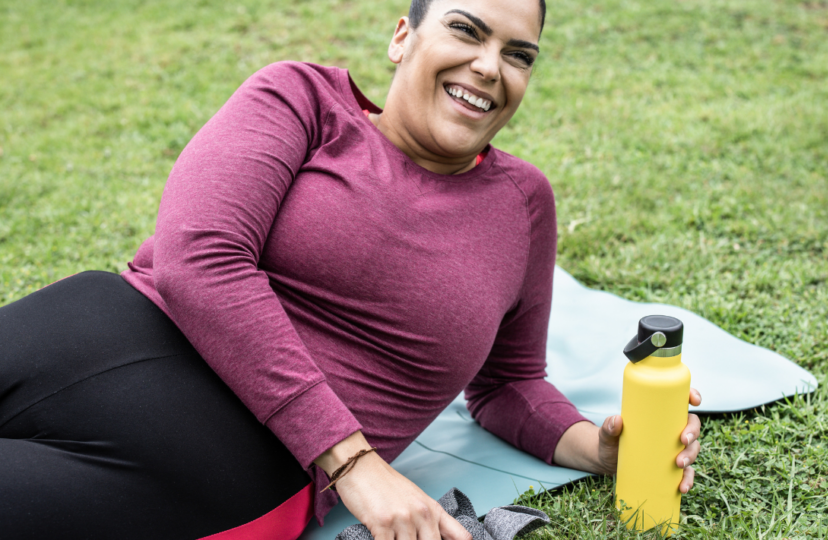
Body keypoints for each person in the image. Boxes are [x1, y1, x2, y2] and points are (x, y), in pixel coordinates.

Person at [0, 0, 703, 538]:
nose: (491, 67)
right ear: (403, 37)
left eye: (519, 55)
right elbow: (198, 256)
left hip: (231, 456)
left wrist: (599, 449)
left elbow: (509, 386)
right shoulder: (301, 99)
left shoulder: (522, 205)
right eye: (467, 31)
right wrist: (356, 463)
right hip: (95, 331)